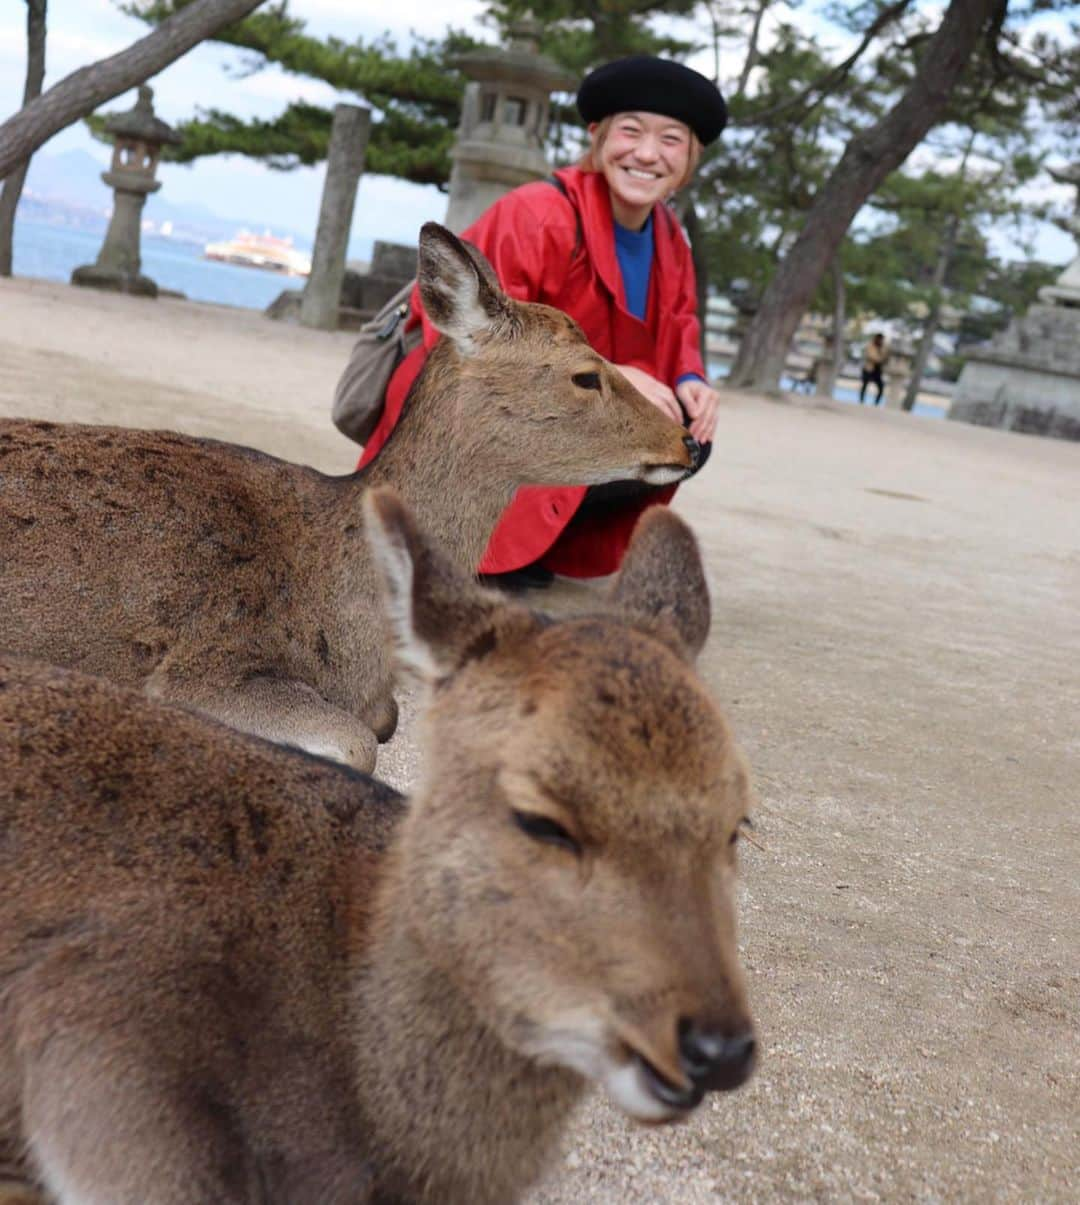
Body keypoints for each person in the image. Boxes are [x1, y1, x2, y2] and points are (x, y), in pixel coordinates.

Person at [358, 55, 728, 587]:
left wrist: (692, 381)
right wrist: (618, 373)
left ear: (690, 158)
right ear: (598, 137)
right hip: (495, 406)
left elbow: (679, 323)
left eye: (671, 139)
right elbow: (475, 338)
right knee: (577, 407)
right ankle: (476, 543)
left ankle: (542, 546)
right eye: (631, 131)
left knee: (688, 432)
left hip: (579, 397)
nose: (647, 154)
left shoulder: (672, 238)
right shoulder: (538, 212)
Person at [859, 333, 888, 405]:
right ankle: (861, 401)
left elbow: (885, 357)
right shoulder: (870, 345)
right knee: (865, 385)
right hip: (869, 368)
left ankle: (876, 403)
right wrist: (880, 360)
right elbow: (870, 356)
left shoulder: (883, 347)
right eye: (879, 339)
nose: (880, 341)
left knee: (881, 387)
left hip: (877, 370)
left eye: (881, 339)